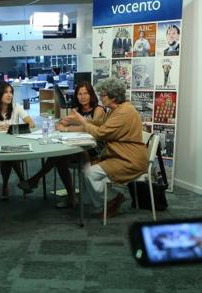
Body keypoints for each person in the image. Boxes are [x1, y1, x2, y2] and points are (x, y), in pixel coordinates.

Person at [63, 77, 147, 219]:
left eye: (103, 95)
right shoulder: (115, 110)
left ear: (113, 97)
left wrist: (82, 121)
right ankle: (105, 201)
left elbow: (100, 133)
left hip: (129, 160)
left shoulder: (124, 112)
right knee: (87, 169)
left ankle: (111, 200)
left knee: (89, 172)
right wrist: (72, 124)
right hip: (119, 156)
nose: (100, 98)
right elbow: (98, 123)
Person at [18, 82, 105, 208]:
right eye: (79, 94)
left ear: (91, 94)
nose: (82, 97)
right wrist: (64, 125)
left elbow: (92, 128)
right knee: (60, 158)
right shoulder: (76, 110)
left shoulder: (98, 110)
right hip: (77, 145)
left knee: (61, 156)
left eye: (86, 93)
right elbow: (61, 124)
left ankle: (36, 180)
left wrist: (69, 128)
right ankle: (70, 196)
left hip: (94, 148)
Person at [0, 81, 35, 200]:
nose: (9, 95)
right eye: (6, 92)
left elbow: (31, 123)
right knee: (8, 155)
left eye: (11, 92)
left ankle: (5, 185)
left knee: (9, 154)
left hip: (15, 144)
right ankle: (22, 180)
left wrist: (13, 128)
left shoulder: (16, 107)